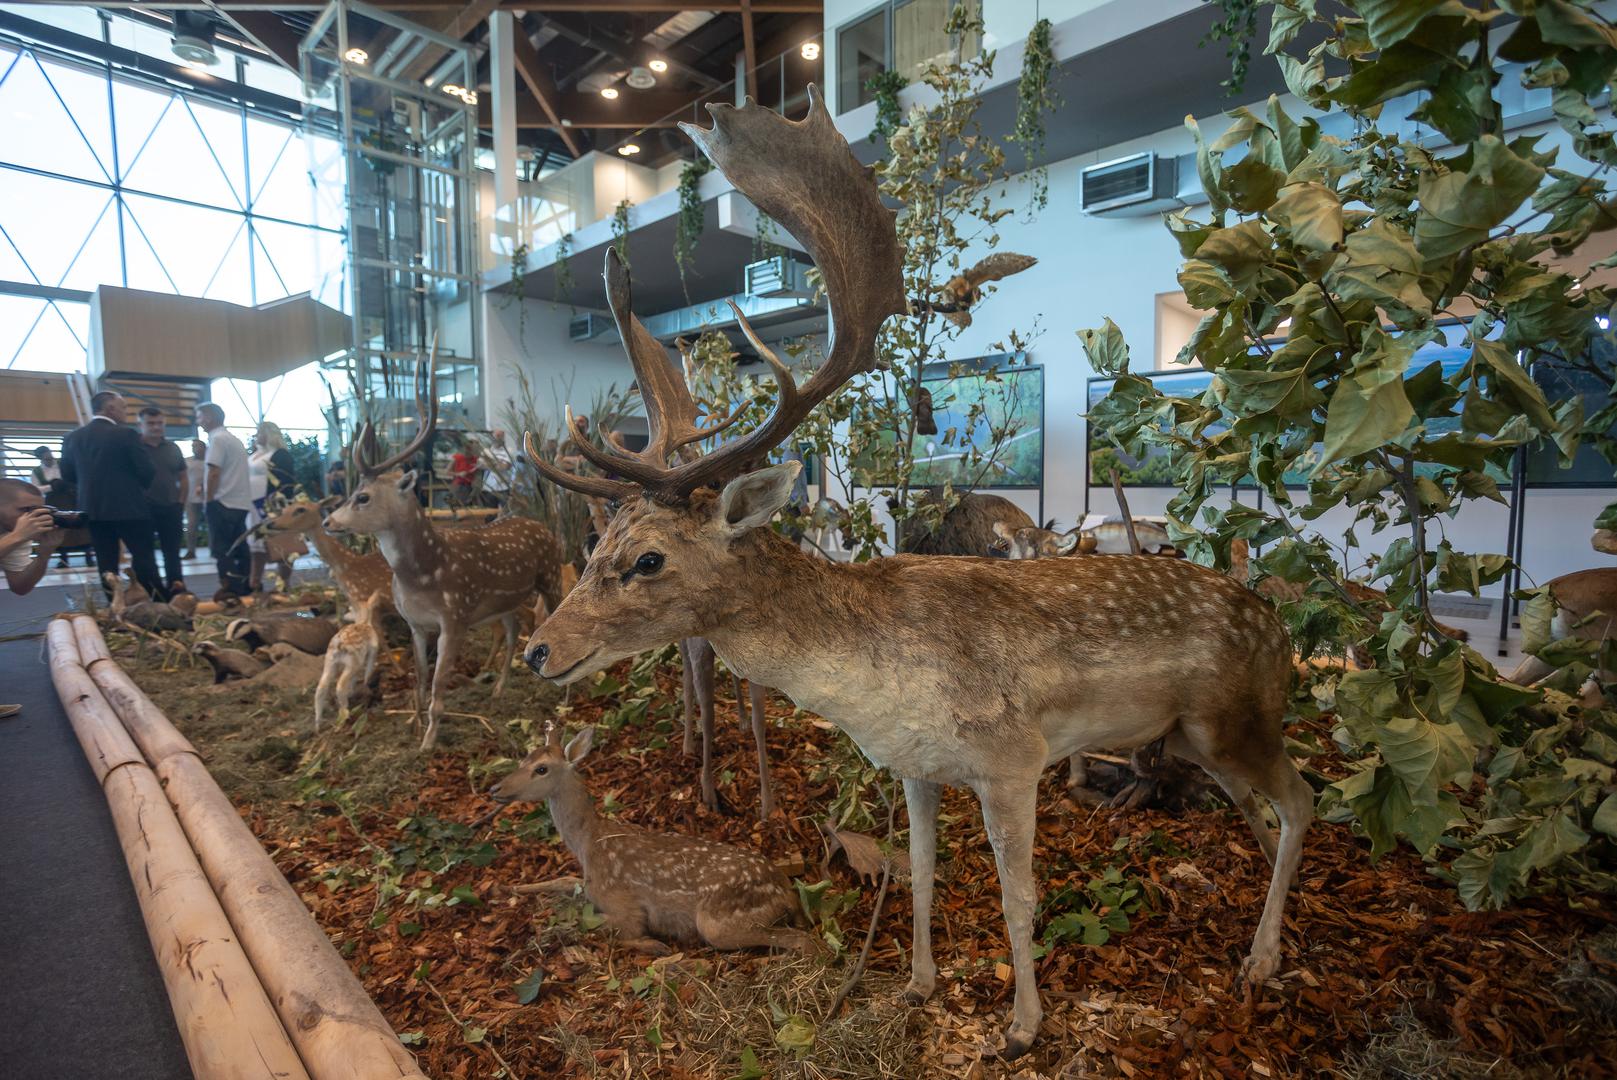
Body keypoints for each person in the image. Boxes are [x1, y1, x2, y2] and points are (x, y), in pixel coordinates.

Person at [60, 390, 162, 600]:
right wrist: (135, 489)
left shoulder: (73, 437)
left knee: (106, 562)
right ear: (110, 408)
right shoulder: (126, 434)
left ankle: (115, 605)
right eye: (123, 407)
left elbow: (67, 475)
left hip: (94, 510)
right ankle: (155, 601)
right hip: (130, 508)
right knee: (143, 557)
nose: (126, 412)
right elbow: (147, 470)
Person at [195, 402, 252, 597]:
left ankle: (232, 589)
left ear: (209, 418)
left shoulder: (217, 439)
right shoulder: (234, 439)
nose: (198, 421)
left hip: (222, 502)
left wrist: (208, 500)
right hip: (240, 502)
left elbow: (214, 472)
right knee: (240, 547)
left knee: (221, 550)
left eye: (199, 416)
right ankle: (247, 585)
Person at [247, 421, 304, 591]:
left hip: (271, 505)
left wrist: (278, 506)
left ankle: (283, 582)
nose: (257, 436)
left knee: (281, 544)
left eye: (260, 432)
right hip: (252, 506)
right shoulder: (255, 454)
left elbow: (286, 481)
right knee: (256, 544)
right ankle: (255, 582)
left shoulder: (280, 454)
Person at [138, 406, 188, 593]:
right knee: (145, 554)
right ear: (141, 424)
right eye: (151, 423)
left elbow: (183, 476)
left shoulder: (173, 448)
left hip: (171, 507)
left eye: (160, 423)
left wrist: (181, 502)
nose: (156, 427)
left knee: (172, 553)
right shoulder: (134, 448)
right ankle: (153, 592)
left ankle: (177, 589)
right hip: (143, 509)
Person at [31, 445, 89, 568]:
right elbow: (35, 489)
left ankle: (88, 558)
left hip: (71, 499)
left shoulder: (63, 465)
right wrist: (51, 487)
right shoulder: (37, 472)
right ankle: (64, 560)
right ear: (40, 459)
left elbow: (76, 477)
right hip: (54, 503)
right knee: (61, 529)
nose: (49, 459)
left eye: (50, 457)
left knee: (81, 528)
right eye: (46, 458)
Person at [0, 478, 60, 597]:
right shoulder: (17, 534)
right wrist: (17, 536)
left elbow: (20, 587)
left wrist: (44, 554)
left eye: (37, 510)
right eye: (26, 509)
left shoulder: (15, 529)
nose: (32, 517)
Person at [185, 439, 207, 558]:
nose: (194, 448)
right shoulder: (187, 461)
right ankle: (191, 551)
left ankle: (215, 550)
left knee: (212, 525)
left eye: (197, 446)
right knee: (191, 525)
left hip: (208, 497)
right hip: (191, 497)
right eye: (193, 446)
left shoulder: (210, 461)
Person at [451, 439, 480, 504]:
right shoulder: (458, 457)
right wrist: (458, 474)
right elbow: (446, 471)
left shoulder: (475, 459)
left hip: (471, 487)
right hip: (459, 486)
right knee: (459, 506)